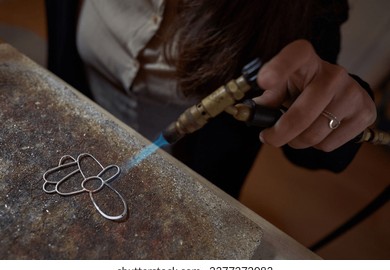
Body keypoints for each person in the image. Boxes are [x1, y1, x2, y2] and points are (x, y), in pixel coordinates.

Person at [46, 0, 376, 198]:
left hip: (193, 183)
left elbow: (315, 145)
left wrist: (335, 108)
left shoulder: (309, 10)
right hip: (66, 142)